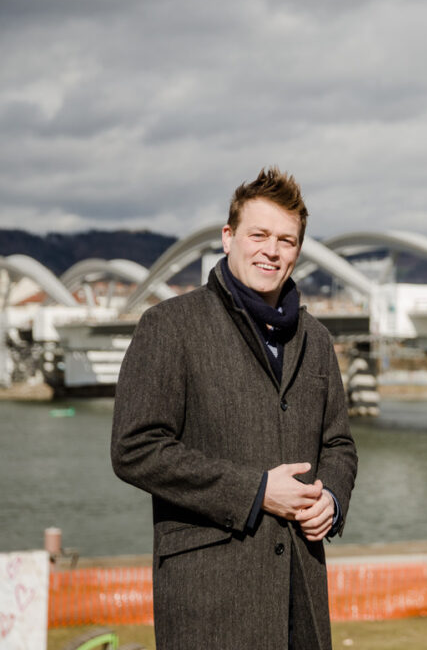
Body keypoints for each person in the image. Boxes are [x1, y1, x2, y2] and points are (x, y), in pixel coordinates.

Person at [112, 168, 358, 650]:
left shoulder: (318, 340)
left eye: (286, 240)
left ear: (298, 251)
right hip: (210, 599)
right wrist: (257, 491)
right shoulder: (170, 326)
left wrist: (331, 499)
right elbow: (135, 448)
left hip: (301, 597)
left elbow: (339, 444)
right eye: (259, 235)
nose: (272, 250)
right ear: (228, 238)